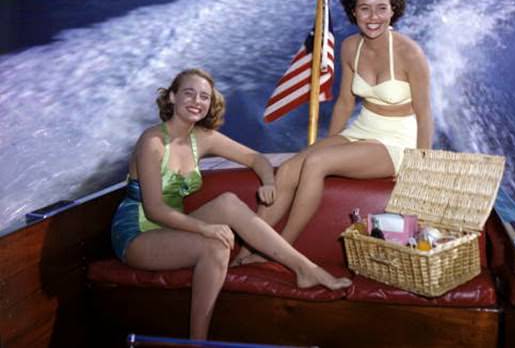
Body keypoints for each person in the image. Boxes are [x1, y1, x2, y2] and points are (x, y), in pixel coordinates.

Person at [110, 68, 351, 340]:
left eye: (204, 96)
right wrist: (205, 228)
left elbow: (256, 158)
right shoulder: (152, 141)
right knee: (216, 246)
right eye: (189, 93)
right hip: (138, 234)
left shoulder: (202, 138)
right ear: (173, 97)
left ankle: (305, 269)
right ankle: (197, 342)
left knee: (228, 203)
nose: (196, 101)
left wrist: (269, 182)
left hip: (172, 228)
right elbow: (154, 209)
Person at [234, 0, 433, 265]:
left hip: (397, 140)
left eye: (381, 8)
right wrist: (329, 142)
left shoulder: (410, 53)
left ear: (393, 10)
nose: (373, 16)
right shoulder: (350, 46)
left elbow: (425, 111)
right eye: (364, 8)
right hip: (363, 127)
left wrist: (419, 165)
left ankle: (280, 250)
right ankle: (247, 249)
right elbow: (344, 102)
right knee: (290, 168)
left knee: (316, 163)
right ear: (354, 12)